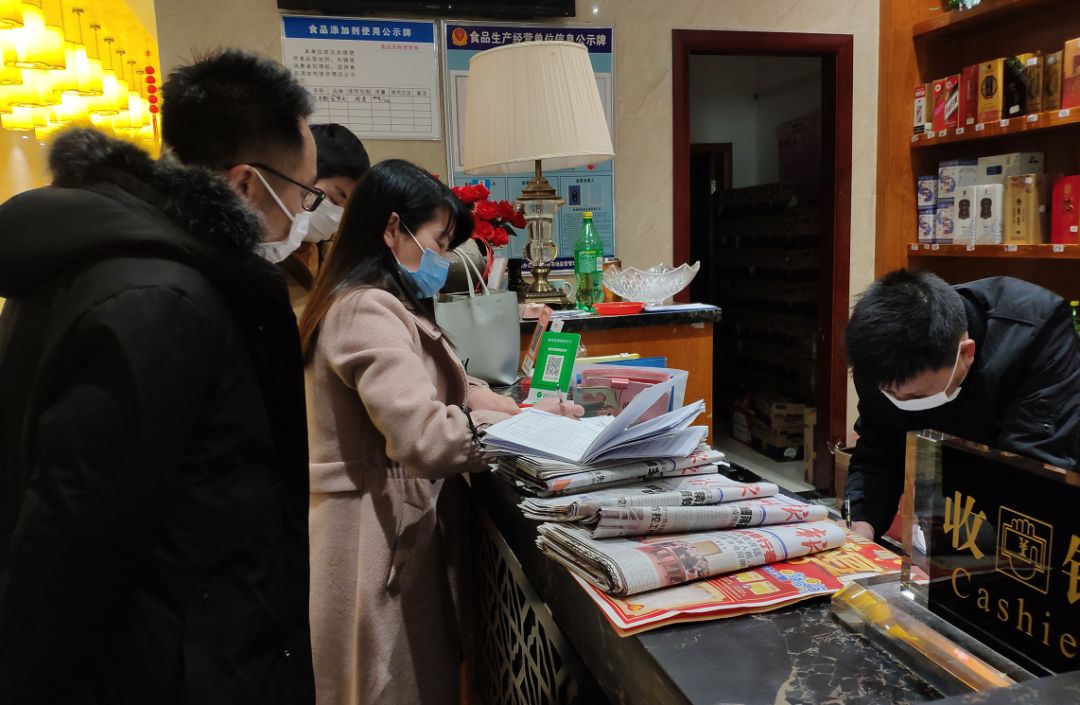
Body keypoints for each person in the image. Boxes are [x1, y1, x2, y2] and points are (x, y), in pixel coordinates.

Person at [0, 50, 318, 703]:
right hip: (169, 667)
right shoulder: (162, 298)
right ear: (246, 185)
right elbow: (72, 541)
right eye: (304, 193)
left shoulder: (114, 261)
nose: (307, 214)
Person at [298, 159, 581, 705]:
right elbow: (425, 437)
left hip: (388, 529)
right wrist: (517, 426)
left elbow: (433, 378)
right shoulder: (365, 309)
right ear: (393, 228)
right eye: (438, 241)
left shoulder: (383, 301)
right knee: (389, 686)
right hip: (370, 541)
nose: (443, 259)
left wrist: (496, 402)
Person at [844, 270, 1080, 540]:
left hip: (1028, 507)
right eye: (890, 393)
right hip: (949, 520)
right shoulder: (876, 354)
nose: (900, 402)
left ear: (966, 353)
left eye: (917, 396)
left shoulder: (1033, 330)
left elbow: (1033, 474)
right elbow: (879, 447)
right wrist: (862, 523)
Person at [284, 123, 370, 315]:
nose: (338, 216)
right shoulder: (269, 247)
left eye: (346, 209)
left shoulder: (330, 256)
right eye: (335, 199)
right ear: (304, 178)